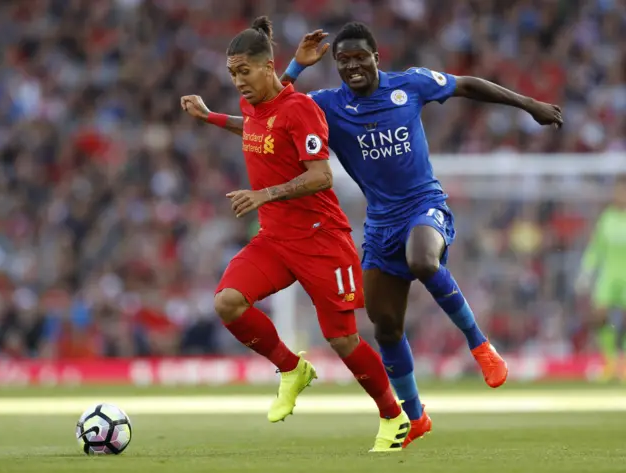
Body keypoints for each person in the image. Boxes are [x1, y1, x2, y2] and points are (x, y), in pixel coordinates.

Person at [185, 21, 563, 447]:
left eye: (359, 57)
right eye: (343, 60)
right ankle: (414, 417)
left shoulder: (411, 84)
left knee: (422, 260)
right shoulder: (327, 104)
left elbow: (467, 85)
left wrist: (529, 104)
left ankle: (480, 346)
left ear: (376, 57)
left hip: (423, 205)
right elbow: (267, 121)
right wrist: (221, 112)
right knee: (384, 328)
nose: (352, 66)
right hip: (381, 223)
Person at [181, 17, 411, 453]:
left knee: (342, 339)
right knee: (228, 303)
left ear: (267, 67)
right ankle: (292, 369)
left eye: (244, 72)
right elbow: (252, 125)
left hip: (321, 239)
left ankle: (392, 415)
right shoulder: (257, 104)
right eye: (232, 74)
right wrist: (207, 115)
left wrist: (264, 193)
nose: (237, 82)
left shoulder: (302, 110)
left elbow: (322, 176)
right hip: (275, 239)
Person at [576, 176, 626, 381]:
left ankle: (623, 364)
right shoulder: (607, 218)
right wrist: (586, 271)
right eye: (618, 191)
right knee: (599, 316)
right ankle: (610, 362)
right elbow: (596, 248)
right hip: (608, 275)